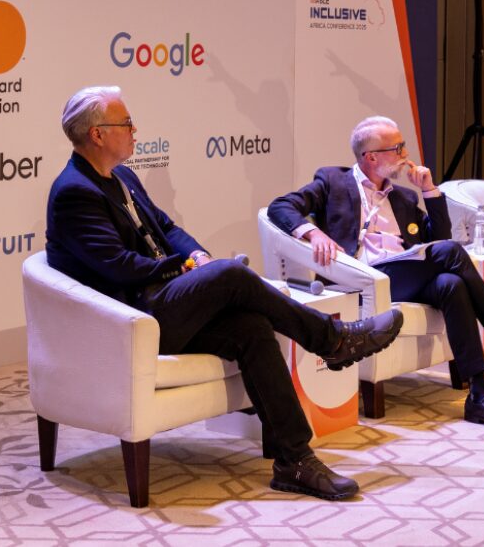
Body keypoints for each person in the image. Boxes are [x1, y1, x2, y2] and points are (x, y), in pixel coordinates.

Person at [45, 86, 404, 501]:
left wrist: (196, 253)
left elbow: (166, 227)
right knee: (230, 274)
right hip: (130, 318)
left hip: (162, 301)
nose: (134, 129)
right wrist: (183, 268)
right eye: (126, 123)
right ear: (98, 134)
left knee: (251, 328)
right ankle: (332, 339)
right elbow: (119, 267)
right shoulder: (74, 192)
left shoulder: (122, 176)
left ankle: (294, 460)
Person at [268, 116, 484, 433]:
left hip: (402, 275)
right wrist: (313, 233)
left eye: (403, 146)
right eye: (397, 148)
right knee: (451, 255)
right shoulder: (332, 181)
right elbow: (280, 207)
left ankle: (479, 395)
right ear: (370, 157)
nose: (405, 154)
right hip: (360, 278)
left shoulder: (404, 197)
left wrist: (429, 191)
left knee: (452, 284)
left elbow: (439, 239)